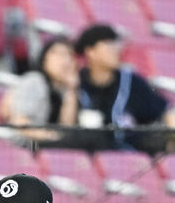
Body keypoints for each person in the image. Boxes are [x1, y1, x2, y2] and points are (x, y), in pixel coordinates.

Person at [75, 23, 175, 153]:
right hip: (84, 154)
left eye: (115, 45)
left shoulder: (131, 81)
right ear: (90, 52)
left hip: (129, 154)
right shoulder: (76, 80)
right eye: (108, 45)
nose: (116, 50)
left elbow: (165, 111)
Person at [0, 36, 82, 146]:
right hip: (24, 146)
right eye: (59, 54)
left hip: (49, 149)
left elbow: (67, 127)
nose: (65, 61)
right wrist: (53, 138)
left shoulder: (63, 90)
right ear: (44, 58)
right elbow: (20, 123)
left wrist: (71, 90)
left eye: (69, 55)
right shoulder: (34, 81)